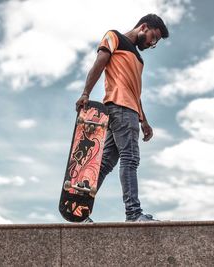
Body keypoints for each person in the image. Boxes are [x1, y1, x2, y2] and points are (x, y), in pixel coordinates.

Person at [75, 14, 169, 222]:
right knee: (130, 158)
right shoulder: (114, 37)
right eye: (153, 37)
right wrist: (86, 93)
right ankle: (133, 213)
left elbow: (134, 91)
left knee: (106, 162)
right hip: (119, 107)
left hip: (129, 110)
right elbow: (99, 63)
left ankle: (79, 210)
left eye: (156, 42)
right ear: (144, 27)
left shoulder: (138, 58)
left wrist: (143, 119)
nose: (152, 43)